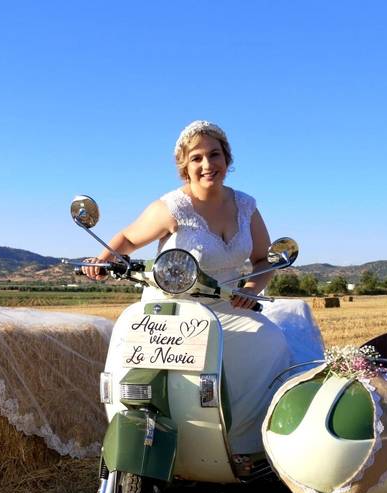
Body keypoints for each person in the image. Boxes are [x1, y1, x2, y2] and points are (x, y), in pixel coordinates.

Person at [83, 120, 324, 456]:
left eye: (215, 155)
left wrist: (251, 289)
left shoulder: (245, 206)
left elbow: (263, 259)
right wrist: (103, 259)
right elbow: (127, 239)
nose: (207, 165)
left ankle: (244, 442)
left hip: (225, 304)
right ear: (185, 165)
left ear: (227, 159)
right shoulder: (171, 207)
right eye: (196, 158)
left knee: (268, 340)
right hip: (172, 308)